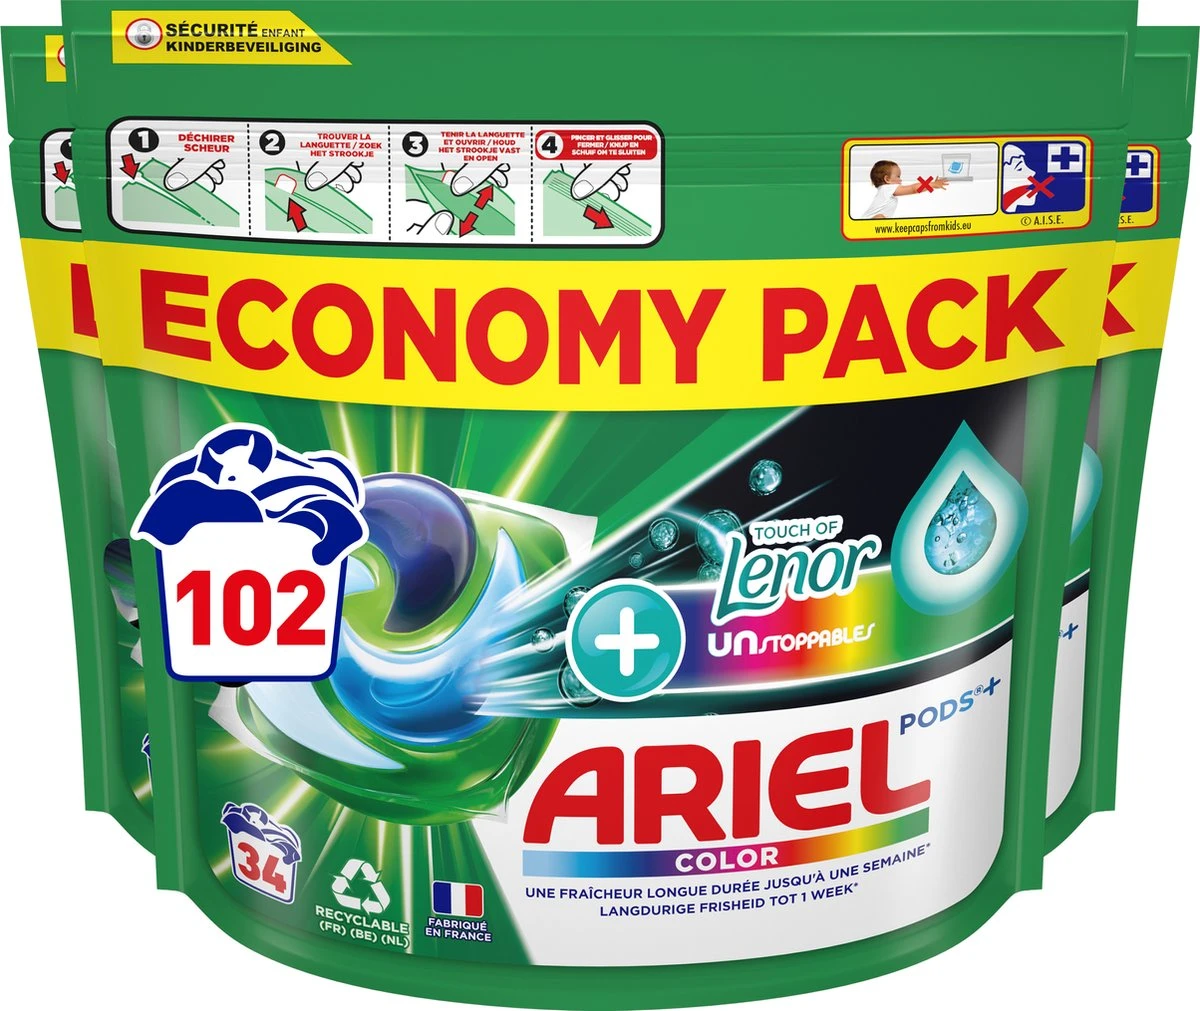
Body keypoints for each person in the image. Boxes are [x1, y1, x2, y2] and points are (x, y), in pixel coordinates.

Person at [863, 160, 947, 218]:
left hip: (866, 222)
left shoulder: (884, 190)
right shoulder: (888, 188)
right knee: (880, 217)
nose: (901, 179)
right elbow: (913, 189)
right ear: (887, 179)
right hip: (869, 222)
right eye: (898, 176)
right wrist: (933, 184)